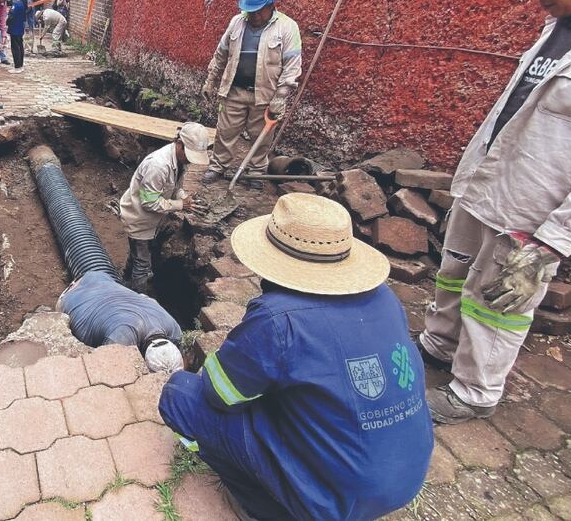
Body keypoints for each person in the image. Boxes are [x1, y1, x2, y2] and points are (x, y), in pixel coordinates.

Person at [419, 0, 571, 424]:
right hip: (484, 185)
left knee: (498, 302)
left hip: (532, 210)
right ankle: (437, 345)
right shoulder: (561, 28)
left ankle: (474, 393)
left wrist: (552, 243)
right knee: (453, 273)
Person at [160, 193, 433, 520]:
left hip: (334, 498)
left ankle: (267, 507)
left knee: (179, 396)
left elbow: (219, 393)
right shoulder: (385, 299)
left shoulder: (278, 319)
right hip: (405, 475)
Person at [201, 0, 302, 188]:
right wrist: (210, 80)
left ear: (271, 5)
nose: (253, 15)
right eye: (250, 11)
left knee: (261, 136)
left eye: (258, 11)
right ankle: (218, 166)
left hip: (265, 95)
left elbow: (292, 66)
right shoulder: (236, 22)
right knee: (225, 131)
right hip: (234, 90)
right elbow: (221, 54)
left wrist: (280, 97)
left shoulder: (287, 27)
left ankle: (256, 171)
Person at [119, 123, 209, 292]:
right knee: (143, 264)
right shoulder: (158, 166)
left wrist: (183, 196)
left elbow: (174, 187)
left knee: (137, 255)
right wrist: (181, 205)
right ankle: (139, 300)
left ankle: (124, 282)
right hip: (138, 219)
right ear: (180, 144)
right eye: (189, 155)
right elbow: (149, 202)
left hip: (151, 219)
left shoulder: (179, 161)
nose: (190, 160)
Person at [55, 270, 184, 373]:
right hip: (70, 297)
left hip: (99, 277)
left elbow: (148, 300)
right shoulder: (121, 339)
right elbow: (106, 369)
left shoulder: (174, 329)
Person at [7, 0, 28, 74]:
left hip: (14, 28)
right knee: (20, 46)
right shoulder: (23, 4)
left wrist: (6, 22)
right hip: (20, 28)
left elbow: (12, 15)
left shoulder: (16, 4)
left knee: (15, 48)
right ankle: (21, 65)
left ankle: (17, 66)